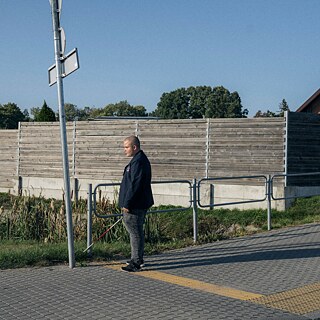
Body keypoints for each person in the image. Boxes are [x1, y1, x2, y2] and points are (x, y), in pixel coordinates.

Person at [119, 135, 154, 272]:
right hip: (135, 203)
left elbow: (135, 185)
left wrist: (128, 203)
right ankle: (137, 257)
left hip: (136, 204)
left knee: (135, 232)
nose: (125, 150)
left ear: (135, 147)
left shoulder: (138, 161)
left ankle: (136, 262)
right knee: (135, 231)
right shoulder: (137, 160)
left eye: (126, 147)